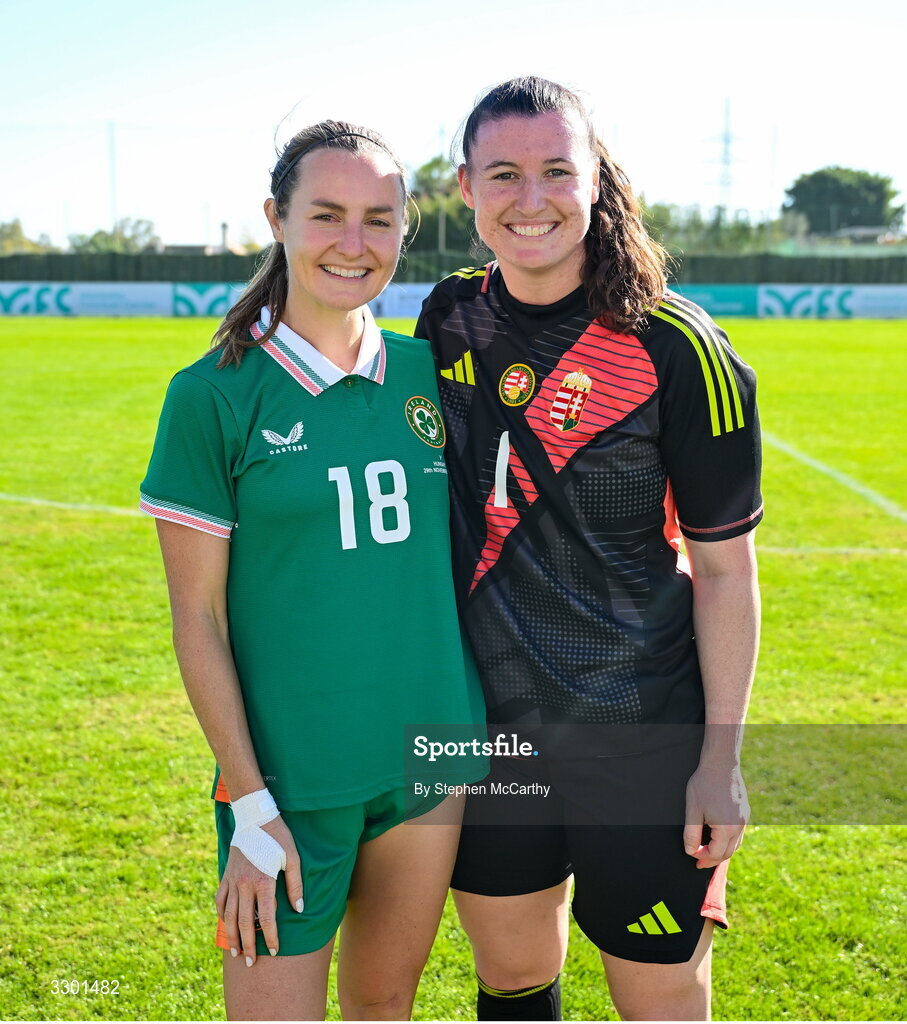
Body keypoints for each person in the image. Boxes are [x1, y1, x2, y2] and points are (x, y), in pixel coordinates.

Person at [415, 77, 762, 1022]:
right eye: (504, 174)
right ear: (465, 188)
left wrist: (717, 761)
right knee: (514, 977)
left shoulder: (678, 347)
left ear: (596, 178)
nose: (531, 199)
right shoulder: (447, 317)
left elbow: (725, 570)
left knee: (657, 997)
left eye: (557, 171)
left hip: (640, 732)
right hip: (490, 737)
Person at [140, 120, 485, 1021]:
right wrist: (248, 806)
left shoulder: (431, 374)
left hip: (431, 757)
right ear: (276, 219)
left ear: (405, 230)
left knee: (386, 1009)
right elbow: (198, 620)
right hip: (288, 788)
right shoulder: (213, 394)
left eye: (378, 219)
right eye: (326, 214)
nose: (352, 242)